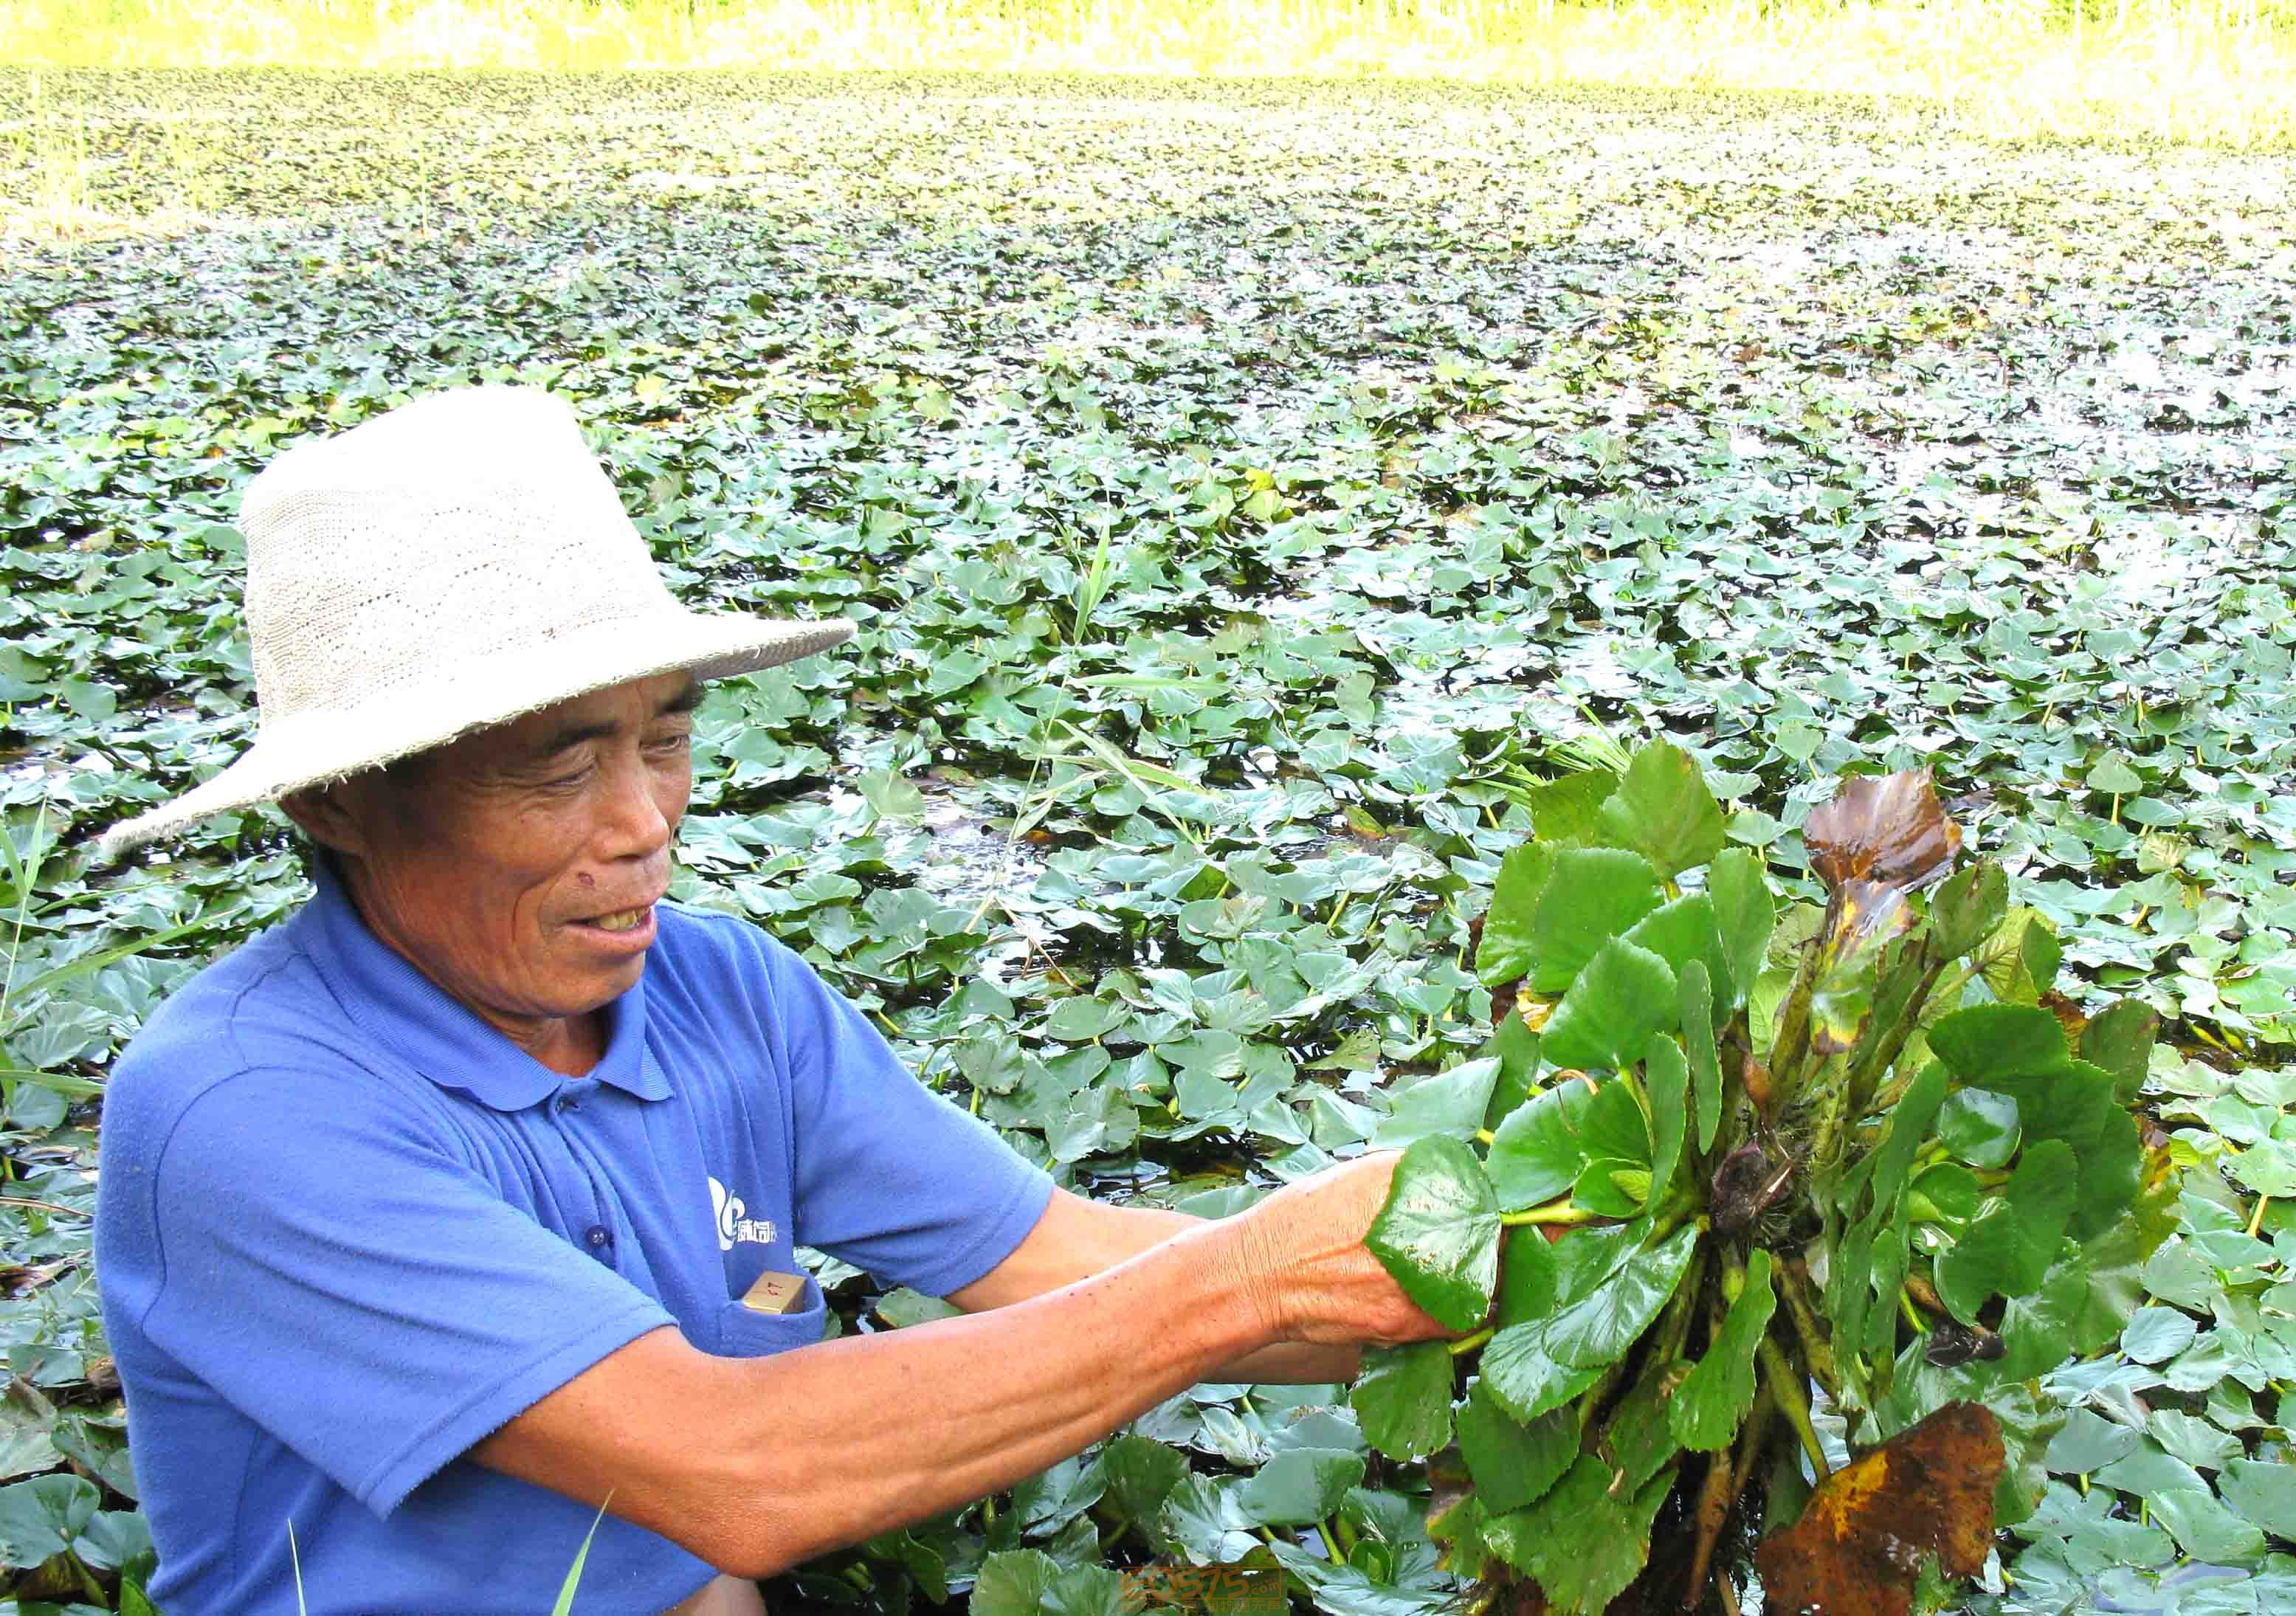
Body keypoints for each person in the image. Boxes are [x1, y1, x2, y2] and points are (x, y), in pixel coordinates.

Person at [91, 387, 1458, 1615]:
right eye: (557, 770)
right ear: (340, 797)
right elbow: (729, 1466)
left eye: (666, 738)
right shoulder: (244, 1108)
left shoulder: (724, 996)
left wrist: (1489, 1274)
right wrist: (1245, 1275)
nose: (643, 824)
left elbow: (1062, 1259)